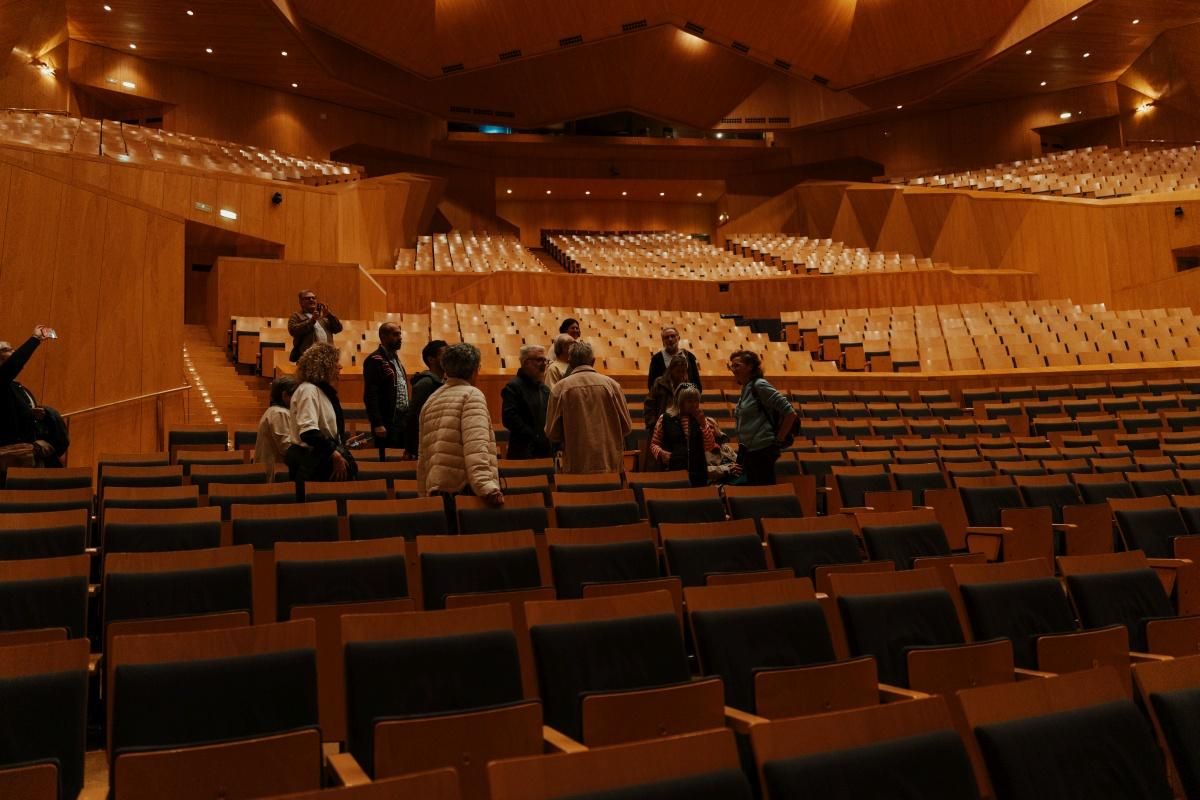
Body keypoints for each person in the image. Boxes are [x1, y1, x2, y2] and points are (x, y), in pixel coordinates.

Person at [417, 343, 504, 516]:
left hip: (437, 490)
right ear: (474, 369)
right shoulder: (472, 395)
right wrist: (486, 486)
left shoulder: (432, 399)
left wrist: (423, 493)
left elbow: (423, 454)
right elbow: (476, 446)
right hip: (464, 491)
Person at [545, 340, 632, 474]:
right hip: (609, 463)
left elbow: (552, 433)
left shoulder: (560, 389)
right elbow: (626, 427)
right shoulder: (612, 385)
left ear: (570, 362)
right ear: (593, 360)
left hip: (577, 464)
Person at [285, 343, 356, 497]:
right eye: (335, 362)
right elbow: (308, 432)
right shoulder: (308, 390)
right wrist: (334, 454)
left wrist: (343, 443)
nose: (340, 367)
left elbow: (324, 430)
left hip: (320, 457)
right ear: (324, 366)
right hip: (313, 463)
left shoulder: (321, 392)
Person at [729, 350, 797, 486]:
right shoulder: (746, 388)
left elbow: (790, 413)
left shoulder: (759, 385)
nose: (733, 369)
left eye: (737, 365)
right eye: (732, 366)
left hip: (762, 452)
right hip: (750, 452)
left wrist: (778, 440)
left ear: (750, 367)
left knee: (763, 494)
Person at [0, 326, 65, 468]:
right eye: (6, 350)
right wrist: (35, 339)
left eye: (12, 349)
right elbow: (12, 366)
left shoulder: (18, 387)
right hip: (8, 461)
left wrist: (39, 415)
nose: (14, 352)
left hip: (27, 455)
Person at [649, 383, 715, 487]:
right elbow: (654, 444)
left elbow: (710, 446)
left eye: (696, 401)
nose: (694, 404)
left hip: (698, 474)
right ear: (679, 402)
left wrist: (703, 424)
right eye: (690, 401)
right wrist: (662, 453)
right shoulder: (665, 418)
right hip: (674, 472)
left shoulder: (701, 419)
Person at [362, 322, 409, 457]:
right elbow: (371, 394)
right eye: (395, 335)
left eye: (400, 334)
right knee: (388, 457)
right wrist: (377, 423)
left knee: (400, 456)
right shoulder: (375, 359)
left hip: (401, 419)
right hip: (387, 421)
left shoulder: (395, 359)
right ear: (383, 336)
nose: (400, 338)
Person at [502, 344, 552, 459]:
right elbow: (509, 419)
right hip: (523, 451)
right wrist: (535, 436)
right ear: (525, 363)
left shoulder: (545, 390)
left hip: (544, 451)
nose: (544, 364)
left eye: (545, 360)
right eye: (539, 360)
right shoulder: (513, 387)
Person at [404, 339, 447, 458]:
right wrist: (411, 449)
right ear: (431, 359)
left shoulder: (444, 382)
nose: (448, 358)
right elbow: (413, 417)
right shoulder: (425, 383)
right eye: (444, 355)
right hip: (424, 446)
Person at [253, 375, 296, 480]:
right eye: (295, 395)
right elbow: (287, 447)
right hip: (273, 474)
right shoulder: (279, 413)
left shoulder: (277, 412)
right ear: (285, 395)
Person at [287, 290, 343, 362]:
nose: (311, 300)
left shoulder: (324, 317)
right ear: (301, 302)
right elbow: (293, 330)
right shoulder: (296, 316)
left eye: (313, 298)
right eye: (307, 298)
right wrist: (312, 320)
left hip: (327, 358)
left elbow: (338, 329)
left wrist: (329, 314)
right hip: (308, 358)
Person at [646, 326, 702, 391]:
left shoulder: (689, 356)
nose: (670, 339)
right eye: (666, 337)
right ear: (663, 341)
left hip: (687, 397)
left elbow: (696, 381)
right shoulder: (656, 359)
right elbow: (651, 384)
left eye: (673, 336)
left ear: (678, 338)